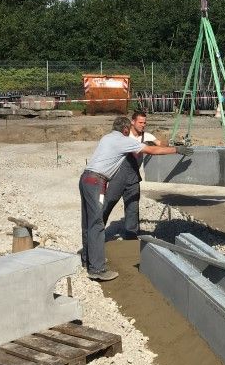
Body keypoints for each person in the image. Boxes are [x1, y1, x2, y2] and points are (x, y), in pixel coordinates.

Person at [79, 116, 190, 281]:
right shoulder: (124, 141)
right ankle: (97, 269)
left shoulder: (107, 138)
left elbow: (155, 144)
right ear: (125, 129)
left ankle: (87, 259)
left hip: (85, 179)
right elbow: (151, 150)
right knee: (97, 223)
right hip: (97, 182)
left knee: (88, 221)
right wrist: (176, 150)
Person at [102, 109, 157, 242]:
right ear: (132, 122)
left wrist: (174, 147)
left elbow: (161, 145)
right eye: (140, 122)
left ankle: (131, 238)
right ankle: (96, 232)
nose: (143, 125)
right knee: (107, 204)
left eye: (144, 122)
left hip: (133, 178)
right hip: (118, 177)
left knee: (133, 208)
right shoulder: (124, 135)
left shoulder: (147, 136)